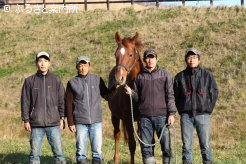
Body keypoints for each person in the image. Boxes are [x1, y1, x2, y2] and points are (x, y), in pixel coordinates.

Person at [125, 49, 177, 164]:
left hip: (162, 117)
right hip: (145, 118)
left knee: (166, 147)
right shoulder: (139, 78)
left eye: (152, 57)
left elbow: (170, 95)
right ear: (144, 61)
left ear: (156, 59)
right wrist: (132, 93)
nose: (150, 60)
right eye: (148, 58)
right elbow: (138, 98)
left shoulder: (166, 75)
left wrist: (172, 113)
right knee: (146, 148)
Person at [65, 56, 115, 164]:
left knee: (97, 151)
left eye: (85, 65)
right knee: (81, 151)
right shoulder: (72, 83)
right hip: (80, 122)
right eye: (80, 65)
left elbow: (106, 95)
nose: (83, 68)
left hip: (96, 121)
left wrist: (116, 87)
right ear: (77, 67)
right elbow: (68, 104)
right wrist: (70, 122)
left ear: (89, 66)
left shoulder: (97, 79)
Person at [173, 48, 218, 164]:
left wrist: (208, 109)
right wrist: (182, 111)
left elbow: (214, 92)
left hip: (203, 115)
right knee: (186, 146)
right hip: (186, 116)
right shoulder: (179, 77)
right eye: (188, 58)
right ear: (185, 60)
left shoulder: (207, 76)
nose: (191, 60)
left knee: (205, 145)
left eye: (194, 57)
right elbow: (175, 96)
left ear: (199, 59)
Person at [21, 51, 66, 164]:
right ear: (36, 63)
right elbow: (25, 101)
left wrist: (62, 118)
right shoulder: (29, 81)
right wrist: (26, 120)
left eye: (45, 61)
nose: (43, 64)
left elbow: (62, 100)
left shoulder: (56, 80)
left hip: (54, 123)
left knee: (59, 154)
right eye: (40, 61)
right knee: (34, 155)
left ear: (49, 63)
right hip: (36, 124)